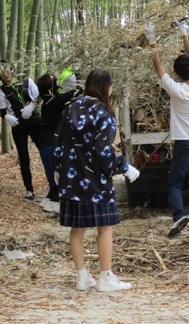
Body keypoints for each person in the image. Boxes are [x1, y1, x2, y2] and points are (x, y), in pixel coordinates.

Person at [53, 69, 140, 291]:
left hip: (72, 180)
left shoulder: (70, 108)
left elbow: (58, 144)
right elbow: (103, 151)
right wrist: (124, 167)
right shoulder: (104, 114)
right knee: (105, 227)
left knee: (76, 228)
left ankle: (82, 277)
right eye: (110, 85)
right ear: (105, 87)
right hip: (96, 181)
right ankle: (105, 277)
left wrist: (59, 171)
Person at [144, 19, 189, 238]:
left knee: (175, 182)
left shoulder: (176, 89)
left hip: (184, 142)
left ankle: (180, 214)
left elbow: (158, 68)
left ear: (177, 73)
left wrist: (152, 41)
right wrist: (184, 34)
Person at [0, 60, 41, 200]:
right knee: (24, 157)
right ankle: (29, 190)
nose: (5, 74)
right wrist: (7, 117)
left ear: (12, 70)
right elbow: (3, 112)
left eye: (7, 70)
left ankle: (55, 185)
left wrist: (31, 106)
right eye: (1, 73)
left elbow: (39, 97)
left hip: (34, 121)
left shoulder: (26, 81)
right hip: (18, 125)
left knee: (46, 151)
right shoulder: (2, 90)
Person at [36, 72, 82, 213]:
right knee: (59, 180)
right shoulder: (55, 102)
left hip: (45, 145)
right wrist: (80, 77)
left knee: (53, 181)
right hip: (51, 146)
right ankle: (58, 206)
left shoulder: (47, 103)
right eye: (57, 82)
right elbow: (78, 91)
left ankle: (52, 200)